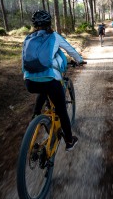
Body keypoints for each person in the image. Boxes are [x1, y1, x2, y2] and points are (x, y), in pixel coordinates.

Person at [22, 10, 84, 151]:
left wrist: (27, 76)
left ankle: (36, 117)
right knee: (61, 110)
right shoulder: (54, 36)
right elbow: (70, 50)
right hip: (50, 80)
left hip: (29, 82)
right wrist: (79, 60)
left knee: (42, 89)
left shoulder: (28, 38)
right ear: (49, 23)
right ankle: (69, 141)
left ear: (34, 25)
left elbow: (24, 61)